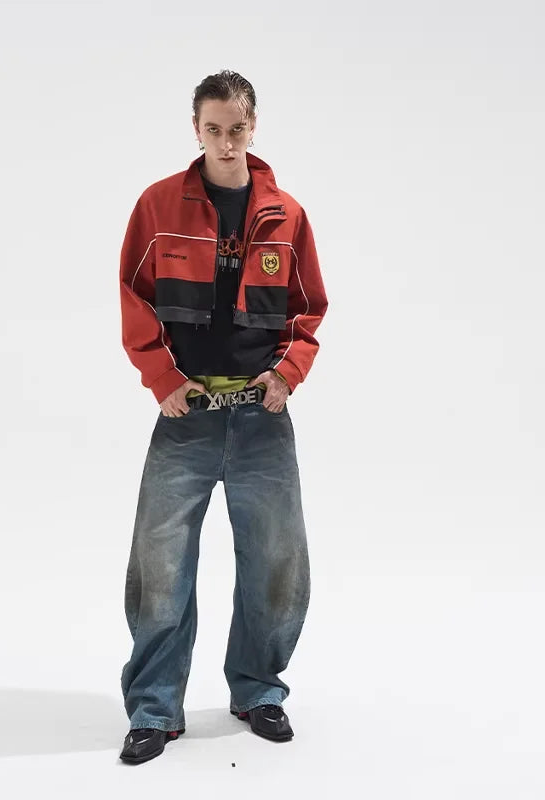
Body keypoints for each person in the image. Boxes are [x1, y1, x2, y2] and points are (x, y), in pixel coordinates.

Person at [117, 69, 328, 764]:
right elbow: (134, 295)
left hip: (263, 417)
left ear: (253, 126)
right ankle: (154, 709)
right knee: (160, 566)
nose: (227, 142)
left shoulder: (287, 215)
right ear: (196, 129)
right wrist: (162, 378)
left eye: (237, 128)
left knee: (276, 563)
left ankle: (259, 692)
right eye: (214, 129)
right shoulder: (158, 206)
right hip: (188, 415)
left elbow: (307, 309)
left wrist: (287, 375)